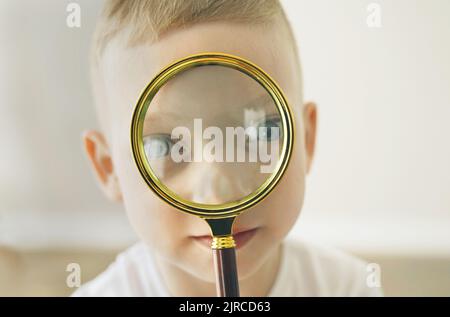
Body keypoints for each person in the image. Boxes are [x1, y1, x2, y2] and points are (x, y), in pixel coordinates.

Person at [74, 0, 382, 297]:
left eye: (264, 130)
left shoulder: (350, 288)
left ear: (306, 138)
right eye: (164, 145)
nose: (219, 193)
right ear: (108, 167)